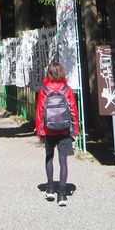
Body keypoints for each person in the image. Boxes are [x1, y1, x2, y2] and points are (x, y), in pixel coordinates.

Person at [35, 60, 78, 207]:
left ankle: (50, 188)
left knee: (49, 157)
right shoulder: (67, 90)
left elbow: (40, 111)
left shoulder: (44, 90)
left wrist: (39, 131)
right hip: (64, 129)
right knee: (63, 161)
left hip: (48, 129)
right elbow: (73, 111)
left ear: (49, 73)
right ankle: (62, 194)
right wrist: (75, 130)